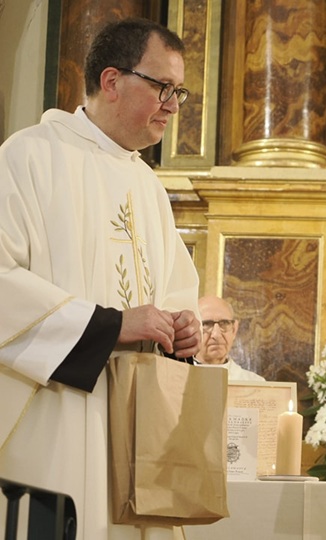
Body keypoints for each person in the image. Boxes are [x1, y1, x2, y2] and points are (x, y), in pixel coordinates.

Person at [0, 18, 202, 540]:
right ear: (111, 81)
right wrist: (109, 326)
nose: (174, 105)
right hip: (58, 416)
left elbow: (177, 288)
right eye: (162, 88)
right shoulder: (28, 158)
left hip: (139, 423)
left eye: (179, 91)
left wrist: (183, 328)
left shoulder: (148, 185)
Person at [196, 295, 265, 381]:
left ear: (234, 330)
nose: (216, 335)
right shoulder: (178, 380)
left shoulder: (256, 384)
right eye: (206, 324)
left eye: (224, 323)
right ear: (191, 330)